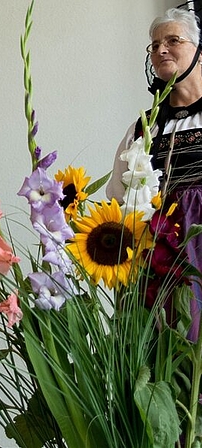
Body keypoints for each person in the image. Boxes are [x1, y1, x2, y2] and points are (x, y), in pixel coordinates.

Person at [106, 7, 202, 340]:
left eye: (173, 40)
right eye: (154, 44)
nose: (161, 49)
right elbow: (120, 196)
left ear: (199, 51)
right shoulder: (143, 128)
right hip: (161, 259)